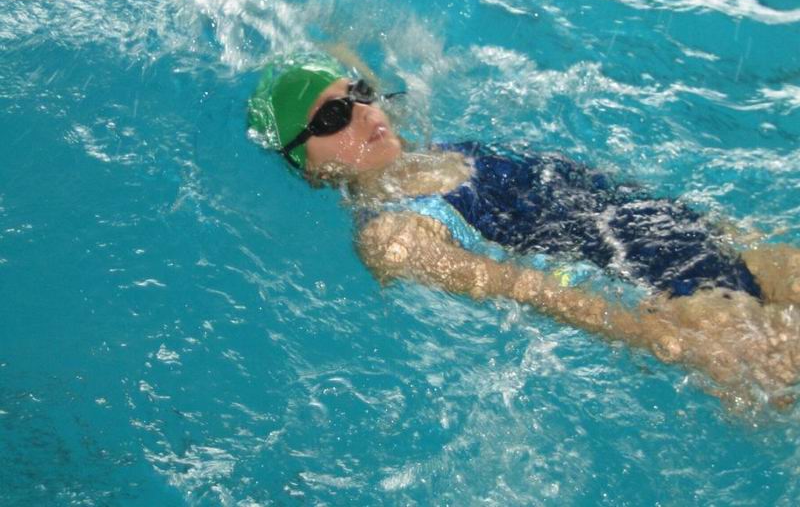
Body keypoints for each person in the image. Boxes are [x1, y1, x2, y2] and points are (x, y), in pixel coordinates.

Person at [248, 53, 800, 407]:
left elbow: (341, 53)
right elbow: (532, 291)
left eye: (361, 93)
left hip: (711, 244)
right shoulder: (395, 234)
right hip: (679, 302)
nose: (365, 114)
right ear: (310, 169)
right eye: (332, 117)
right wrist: (666, 339)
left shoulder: (416, 148)